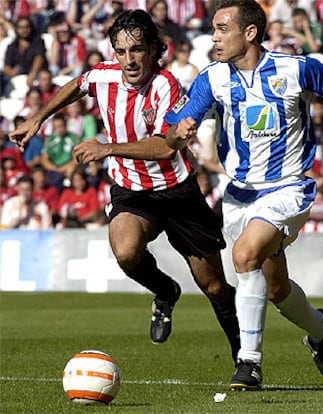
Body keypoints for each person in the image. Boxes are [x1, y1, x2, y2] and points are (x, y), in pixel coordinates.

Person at [165, 0, 323, 390]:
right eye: (214, 29)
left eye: (223, 29)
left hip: (288, 187)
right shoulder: (212, 78)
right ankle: (320, 330)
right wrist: (179, 133)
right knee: (276, 289)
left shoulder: (295, 69)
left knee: (244, 254)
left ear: (250, 33)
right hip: (239, 195)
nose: (215, 36)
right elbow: (176, 127)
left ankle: (249, 362)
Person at [9, 9, 240, 365]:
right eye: (120, 51)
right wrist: (37, 118)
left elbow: (166, 145)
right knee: (126, 252)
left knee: (214, 287)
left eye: (136, 50)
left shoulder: (167, 86)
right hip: (131, 191)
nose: (129, 60)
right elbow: (77, 84)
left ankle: (244, 355)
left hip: (177, 191)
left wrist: (107, 148)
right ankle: (165, 292)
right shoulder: (104, 76)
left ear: (153, 49)